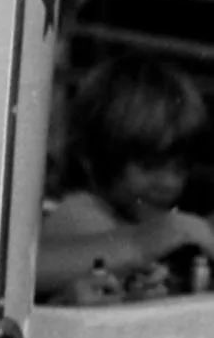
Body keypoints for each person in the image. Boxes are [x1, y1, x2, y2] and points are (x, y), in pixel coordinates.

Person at [37, 49, 214, 302]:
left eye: (180, 168)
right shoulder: (76, 213)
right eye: (149, 166)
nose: (169, 183)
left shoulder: (133, 220)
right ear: (92, 157)